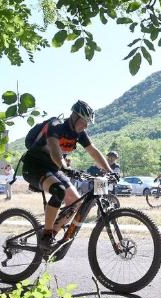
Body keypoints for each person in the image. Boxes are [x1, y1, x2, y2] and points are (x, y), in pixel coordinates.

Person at [21, 100, 114, 247]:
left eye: (88, 122)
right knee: (59, 191)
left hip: (53, 169)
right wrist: (64, 166)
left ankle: (52, 235)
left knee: (76, 203)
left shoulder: (79, 134)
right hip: (34, 166)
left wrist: (110, 171)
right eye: (84, 121)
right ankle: (46, 235)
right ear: (74, 116)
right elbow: (54, 149)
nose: (86, 125)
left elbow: (93, 151)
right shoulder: (56, 126)